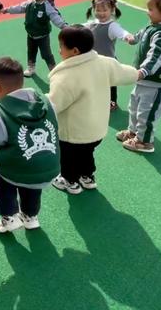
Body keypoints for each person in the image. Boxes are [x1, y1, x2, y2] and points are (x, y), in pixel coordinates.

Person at [49, 25, 138, 194]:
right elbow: (125, 73)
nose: (59, 51)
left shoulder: (66, 76)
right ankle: (87, 177)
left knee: (69, 157)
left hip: (72, 133)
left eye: (61, 47)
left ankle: (69, 181)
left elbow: (54, 104)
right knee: (87, 152)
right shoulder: (105, 63)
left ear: (74, 51)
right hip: (96, 130)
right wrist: (138, 73)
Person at [0, 57, 60, 233]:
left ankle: (9, 218)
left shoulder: (1, 111)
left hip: (15, 168)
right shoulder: (45, 102)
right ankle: (30, 217)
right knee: (32, 187)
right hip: (48, 168)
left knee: (4, 184)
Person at [116, 0, 161, 153]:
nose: (148, 13)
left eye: (150, 9)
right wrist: (133, 39)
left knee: (147, 112)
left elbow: (156, 57)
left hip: (156, 82)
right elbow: (143, 33)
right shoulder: (154, 26)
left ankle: (144, 142)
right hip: (144, 80)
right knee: (134, 106)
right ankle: (134, 132)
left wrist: (142, 71)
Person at [1, 0, 66, 77]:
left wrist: (63, 26)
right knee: (31, 52)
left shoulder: (47, 6)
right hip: (31, 35)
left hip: (43, 36)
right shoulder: (30, 3)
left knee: (46, 54)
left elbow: (55, 16)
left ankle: (53, 71)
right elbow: (20, 7)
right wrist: (8, 10)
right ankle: (31, 68)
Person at [84, 0, 135, 110]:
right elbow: (81, 28)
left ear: (112, 10)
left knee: (110, 83)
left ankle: (112, 102)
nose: (101, 13)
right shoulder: (92, 24)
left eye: (104, 10)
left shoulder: (112, 26)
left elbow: (121, 32)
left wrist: (128, 37)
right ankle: (96, 98)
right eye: (98, 10)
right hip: (93, 60)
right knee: (94, 81)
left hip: (108, 61)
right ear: (93, 10)